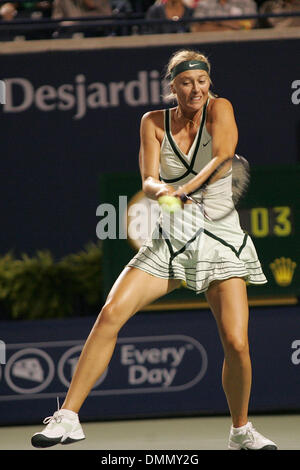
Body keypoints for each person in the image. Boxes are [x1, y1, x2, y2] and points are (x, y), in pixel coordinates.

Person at [31, 48, 277, 450]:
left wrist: (184, 189)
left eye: (201, 80)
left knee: (236, 343)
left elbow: (224, 156)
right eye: (186, 82)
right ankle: (69, 417)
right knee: (110, 313)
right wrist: (161, 190)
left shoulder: (222, 109)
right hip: (171, 241)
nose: (195, 88)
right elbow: (147, 178)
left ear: (209, 82)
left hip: (220, 240)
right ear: (173, 86)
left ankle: (241, 430)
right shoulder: (151, 121)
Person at [191, 0, 258, 32]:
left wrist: (216, 22)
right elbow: (197, 29)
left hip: (241, 45)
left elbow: (247, 26)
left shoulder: (247, 3)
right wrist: (230, 28)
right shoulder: (203, 4)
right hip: (209, 46)